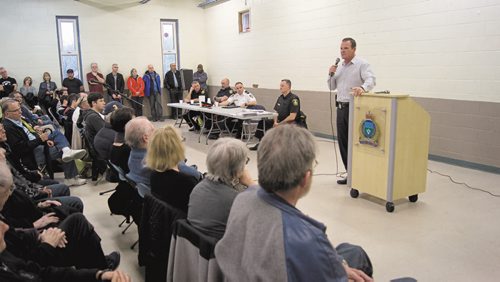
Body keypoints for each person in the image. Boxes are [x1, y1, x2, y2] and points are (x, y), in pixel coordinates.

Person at [215, 125, 374, 281]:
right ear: (306, 178)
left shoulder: (242, 199)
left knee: (351, 251)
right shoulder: (308, 238)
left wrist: (338, 263)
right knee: (358, 256)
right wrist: (339, 267)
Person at [0, 161, 131, 282]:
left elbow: (17, 236)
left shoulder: (8, 255)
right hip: (39, 246)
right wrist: (46, 243)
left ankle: (97, 264)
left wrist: (97, 275)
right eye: (9, 190)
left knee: (75, 217)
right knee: (76, 219)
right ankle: (98, 262)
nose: (5, 226)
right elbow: (38, 269)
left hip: (36, 228)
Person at [1, 99, 86, 186]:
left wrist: (44, 140)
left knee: (58, 137)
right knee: (63, 150)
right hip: (32, 154)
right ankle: (70, 177)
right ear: (7, 113)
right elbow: (20, 148)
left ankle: (67, 152)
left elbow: (31, 134)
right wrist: (40, 140)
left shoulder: (18, 120)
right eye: (16, 110)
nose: (20, 111)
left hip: (36, 145)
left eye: (19, 108)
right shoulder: (8, 128)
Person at [327, 37, 376, 184]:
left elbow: (371, 80)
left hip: (355, 108)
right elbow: (331, 87)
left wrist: (362, 88)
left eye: (346, 48)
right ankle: (350, 174)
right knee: (343, 142)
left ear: (354, 49)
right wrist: (330, 74)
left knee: (355, 142)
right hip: (340, 108)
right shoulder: (339, 67)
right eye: (341, 48)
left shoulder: (362, 64)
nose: (342, 51)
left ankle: (360, 174)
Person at [188, 138, 254, 239]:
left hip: (198, 249)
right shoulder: (236, 200)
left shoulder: (198, 187)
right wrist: (252, 184)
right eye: (245, 161)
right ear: (237, 168)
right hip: (224, 251)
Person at [125, 118, 201, 196]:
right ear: (146, 138)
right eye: (153, 129)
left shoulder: (131, 157)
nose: (156, 131)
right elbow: (195, 175)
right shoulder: (160, 164)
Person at [146, 125, 200, 213]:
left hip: (166, 221)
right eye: (182, 140)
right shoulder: (187, 181)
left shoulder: (154, 174)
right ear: (177, 147)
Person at [250, 79, 307, 151]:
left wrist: (279, 124)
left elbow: (292, 117)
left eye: (282, 86)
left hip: (290, 122)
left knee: (283, 127)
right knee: (264, 122)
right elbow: (275, 112)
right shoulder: (280, 98)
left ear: (289, 87)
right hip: (279, 122)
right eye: (280, 86)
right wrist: (275, 122)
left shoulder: (294, 99)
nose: (280, 87)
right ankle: (261, 143)